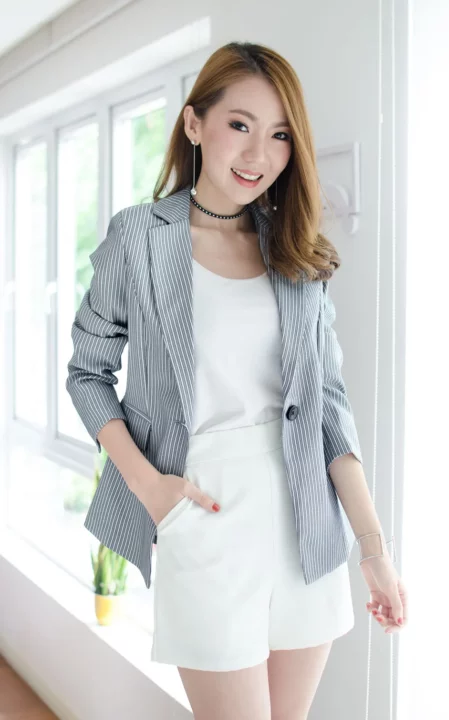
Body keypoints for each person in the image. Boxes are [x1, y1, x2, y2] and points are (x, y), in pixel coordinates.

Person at [66, 41, 408, 720]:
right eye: (240, 125)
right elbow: (87, 371)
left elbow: (328, 406)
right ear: (194, 124)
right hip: (204, 507)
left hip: (306, 518)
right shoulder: (140, 238)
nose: (259, 154)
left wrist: (374, 551)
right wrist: (150, 487)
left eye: (279, 135)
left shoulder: (293, 246)